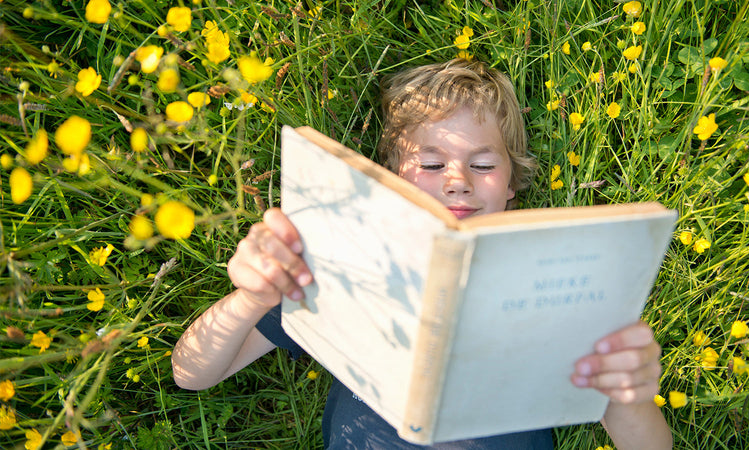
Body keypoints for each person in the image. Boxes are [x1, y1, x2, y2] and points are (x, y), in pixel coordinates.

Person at [172, 59, 673, 449]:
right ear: (394, 182)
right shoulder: (347, 263)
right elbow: (191, 375)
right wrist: (251, 297)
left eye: (482, 164)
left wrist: (627, 396)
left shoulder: (560, 292)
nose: (458, 181)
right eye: (432, 163)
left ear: (512, 185)